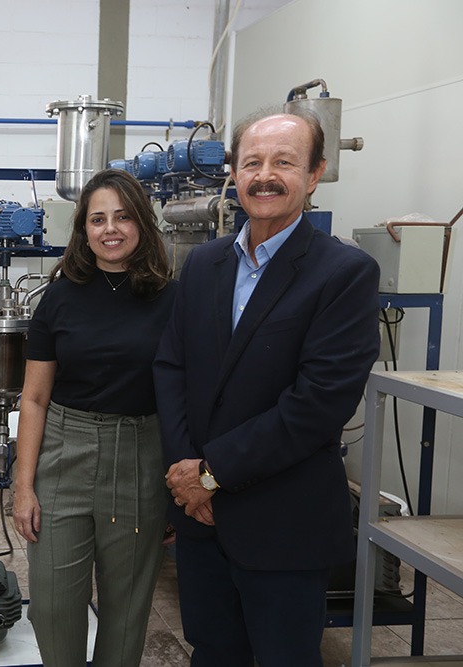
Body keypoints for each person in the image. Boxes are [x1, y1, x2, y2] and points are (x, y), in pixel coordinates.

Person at [153, 109, 381, 667]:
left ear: (316, 173)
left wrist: (211, 474)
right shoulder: (204, 266)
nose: (265, 175)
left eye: (284, 161)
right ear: (232, 173)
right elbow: (171, 368)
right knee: (212, 653)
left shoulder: (344, 274)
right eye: (251, 162)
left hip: (283, 524)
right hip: (202, 524)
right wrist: (187, 473)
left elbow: (317, 406)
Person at [12, 169, 176, 666]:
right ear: (83, 229)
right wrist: (24, 486)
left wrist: (174, 481)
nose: (111, 229)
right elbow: (35, 397)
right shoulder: (59, 297)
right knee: (54, 604)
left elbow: (180, 396)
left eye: (123, 217)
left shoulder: (172, 299)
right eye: (98, 218)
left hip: (140, 454)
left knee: (126, 612)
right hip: (64, 451)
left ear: (143, 224)